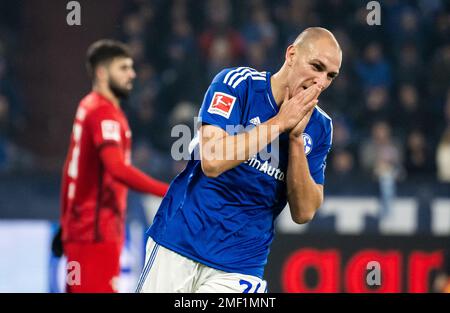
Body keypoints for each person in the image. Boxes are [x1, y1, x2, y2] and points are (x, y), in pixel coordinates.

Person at [136, 27, 341, 293]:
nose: (320, 82)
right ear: (291, 54)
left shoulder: (321, 127)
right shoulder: (238, 84)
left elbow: (304, 212)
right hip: (180, 241)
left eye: (330, 76)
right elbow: (211, 160)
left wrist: (295, 140)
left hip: (241, 266)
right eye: (316, 66)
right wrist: (279, 123)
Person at [56, 39, 169, 293]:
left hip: (81, 231)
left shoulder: (87, 106)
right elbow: (116, 168)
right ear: (102, 72)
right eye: (124, 68)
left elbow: (71, 170)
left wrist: (65, 224)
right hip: (96, 233)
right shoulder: (103, 113)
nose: (132, 74)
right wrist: (166, 190)